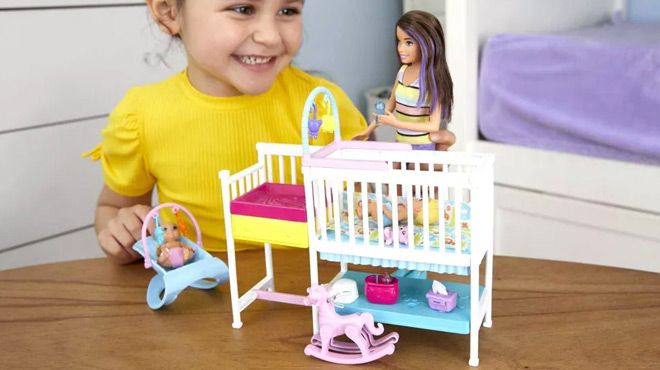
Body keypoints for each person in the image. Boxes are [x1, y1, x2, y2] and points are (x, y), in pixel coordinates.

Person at [83, 0, 370, 264]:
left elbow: (374, 209)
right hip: (197, 297)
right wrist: (124, 236)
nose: (270, 36)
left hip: (313, 293)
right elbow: (112, 208)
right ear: (169, 11)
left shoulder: (324, 109)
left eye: (288, 10)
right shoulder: (141, 116)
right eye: (243, 9)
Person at [352, 10, 456, 154]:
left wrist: (397, 123)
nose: (401, 48)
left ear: (427, 43)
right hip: (401, 144)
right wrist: (367, 131)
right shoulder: (402, 72)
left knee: (416, 174)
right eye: (399, 42)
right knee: (389, 172)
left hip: (422, 147)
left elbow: (433, 126)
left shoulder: (431, 81)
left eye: (408, 43)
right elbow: (388, 108)